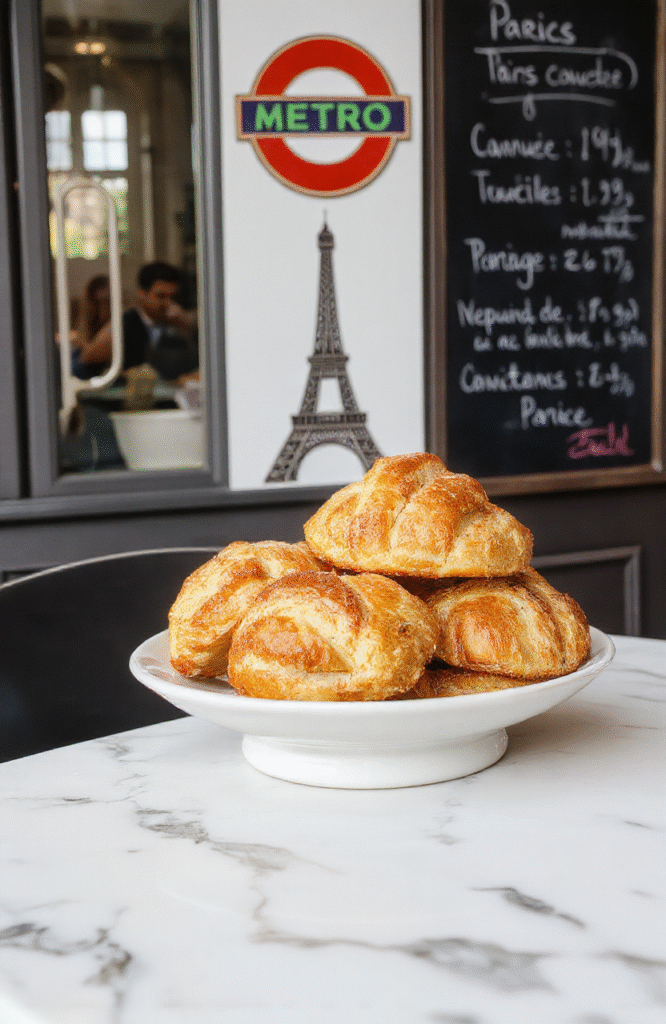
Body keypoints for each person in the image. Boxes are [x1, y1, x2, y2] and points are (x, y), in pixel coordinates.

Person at [74, 262, 198, 381]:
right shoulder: (124, 324)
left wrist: (186, 327)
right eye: (161, 296)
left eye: (172, 297)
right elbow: (85, 364)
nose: (168, 303)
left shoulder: (175, 325)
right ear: (142, 293)